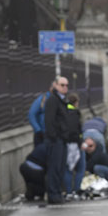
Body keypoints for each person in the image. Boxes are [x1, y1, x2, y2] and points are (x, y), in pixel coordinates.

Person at [44, 76, 70, 204]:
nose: (65, 87)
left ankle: (58, 193)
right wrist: (54, 136)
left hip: (62, 139)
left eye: (66, 85)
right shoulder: (53, 100)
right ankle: (53, 194)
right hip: (55, 140)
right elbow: (49, 121)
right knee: (54, 168)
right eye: (62, 85)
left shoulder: (63, 100)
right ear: (55, 85)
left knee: (60, 168)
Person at [63, 93, 85, 200]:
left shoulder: (64, 111)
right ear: (76, 102)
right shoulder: (74, 113)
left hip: (66, 143)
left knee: (68, 169)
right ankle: (75, 191)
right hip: (75, 144)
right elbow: (76, 131)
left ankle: (68, 192)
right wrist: (81, 142)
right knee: (81, 168)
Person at [28, 82, 55, 147]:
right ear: (51, 88)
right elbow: (31, 114)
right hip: (43, 135)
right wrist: (38, 130)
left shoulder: (61, 100)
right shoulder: (43, 99)